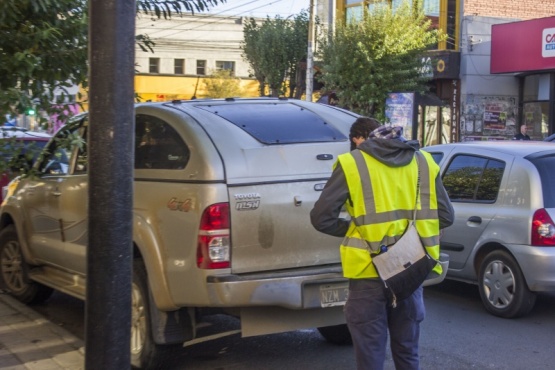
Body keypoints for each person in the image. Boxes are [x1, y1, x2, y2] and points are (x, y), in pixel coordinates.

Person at [310, 125, 454, 370]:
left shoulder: (352, 163)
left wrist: (354, 229)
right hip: (410, 268)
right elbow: (446, 216)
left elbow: (321, 218)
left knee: (370, 355)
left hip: (368, 270)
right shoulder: (424, 162)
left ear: (364, 141)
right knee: (408, 352)